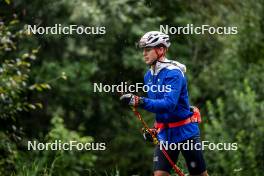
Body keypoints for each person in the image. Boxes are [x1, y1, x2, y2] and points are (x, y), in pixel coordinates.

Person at [120, 31, 208, 176]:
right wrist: (156, 128)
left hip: (186, 132)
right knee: (160, 174)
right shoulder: (148, 76)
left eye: (148, 49)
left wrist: (139, 101)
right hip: (166, 135)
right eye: (143, 50)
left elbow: (168, 104)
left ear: (160, 50)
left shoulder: (174, 73)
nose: (144, 54)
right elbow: (159, 108)